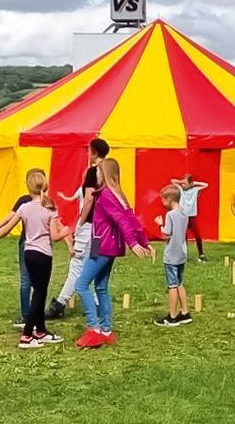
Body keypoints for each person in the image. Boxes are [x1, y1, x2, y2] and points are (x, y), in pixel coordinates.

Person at [0, 170, 71, 349]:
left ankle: (41, 331)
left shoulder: (24, 207)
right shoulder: (50, 207)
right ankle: (27, 335)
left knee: (40, 291)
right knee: (39, 293)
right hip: (43, 255)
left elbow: (7, 228)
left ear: (28, 187)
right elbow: (54, 236)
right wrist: (66, 232)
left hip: (28, 253)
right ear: (45, 185)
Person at [75, 158, 154, 348]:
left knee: (81, 284)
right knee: (100, 287)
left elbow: (122, 220)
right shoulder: (115, 194)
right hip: (100, 244)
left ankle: (94, 329)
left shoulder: (106, 195)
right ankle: (106, 330)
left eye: (99, 171)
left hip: (102, 246)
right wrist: (144, 241)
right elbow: (131, 218)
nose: (97, 174)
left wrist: (134, 243)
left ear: (106, 174)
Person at [46, 138, 110, 320]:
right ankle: (97, 304)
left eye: (89, 151)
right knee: (93, 263)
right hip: (101, 229)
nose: (87, 154)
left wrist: (80, 223)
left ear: (95, 153)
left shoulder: (93, 172)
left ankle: (59, 303)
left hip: (89, 227)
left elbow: (89, 198)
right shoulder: (110, 170)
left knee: (77, 264)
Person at [0, 189, 33, 327]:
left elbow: (7, 225)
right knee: (39, 284)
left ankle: (27, 317)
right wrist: (68, 239)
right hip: (43, 247)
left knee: (26, 281)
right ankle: (35, 318)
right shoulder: (48, 204)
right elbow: (56, 228)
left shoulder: (24, 203)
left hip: (27, 244)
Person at [153, 185, 192, 327]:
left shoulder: (170, 215)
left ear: (169, 200)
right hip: (182, 253)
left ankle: (173, 316)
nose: (162, 203)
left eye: (163, 200)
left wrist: (160, 224)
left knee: (172, 285)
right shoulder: (184, 213)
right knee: (180, 283)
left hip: (171, 255)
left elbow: (166, 234)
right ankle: (185, 312)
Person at [171, 173, 209, 263]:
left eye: (185, 183)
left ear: (190, 184)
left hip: (192, 217)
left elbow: (206, 185)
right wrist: (181, 182)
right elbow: (172, 181)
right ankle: (184, 255)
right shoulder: (180, 190)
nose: (183, 185)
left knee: (198, 236)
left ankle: (201, 254)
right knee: (183, 237)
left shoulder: (195, 190)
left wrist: (193, 183)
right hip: (183, 217)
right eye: (182, 183)